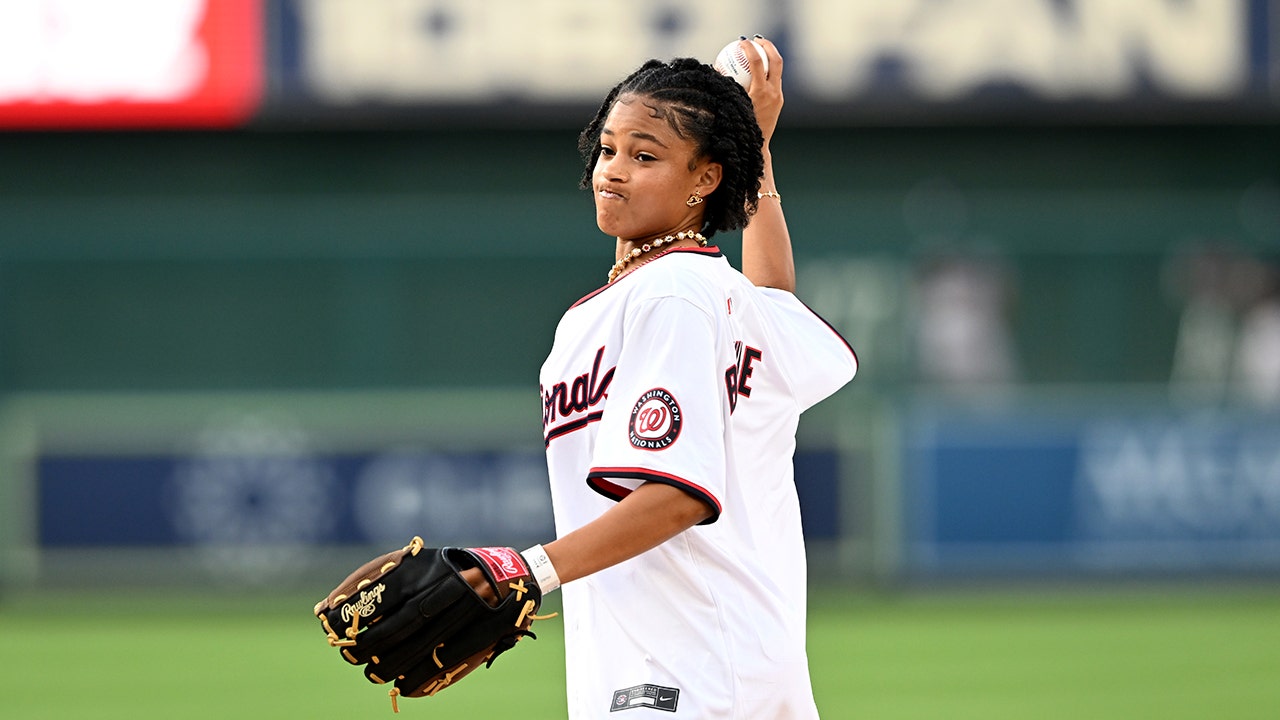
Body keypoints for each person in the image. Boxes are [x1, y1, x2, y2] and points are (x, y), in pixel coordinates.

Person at [478, 38, 857, 718]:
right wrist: (755, 151)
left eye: (645, 155)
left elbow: (677, 495)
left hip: (681, 676)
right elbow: (774, 294)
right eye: (609, 149)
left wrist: (526, 574)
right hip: (730, 663)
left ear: (704, 179)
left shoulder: (672, 294)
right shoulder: (719, 295)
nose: (614, 171)